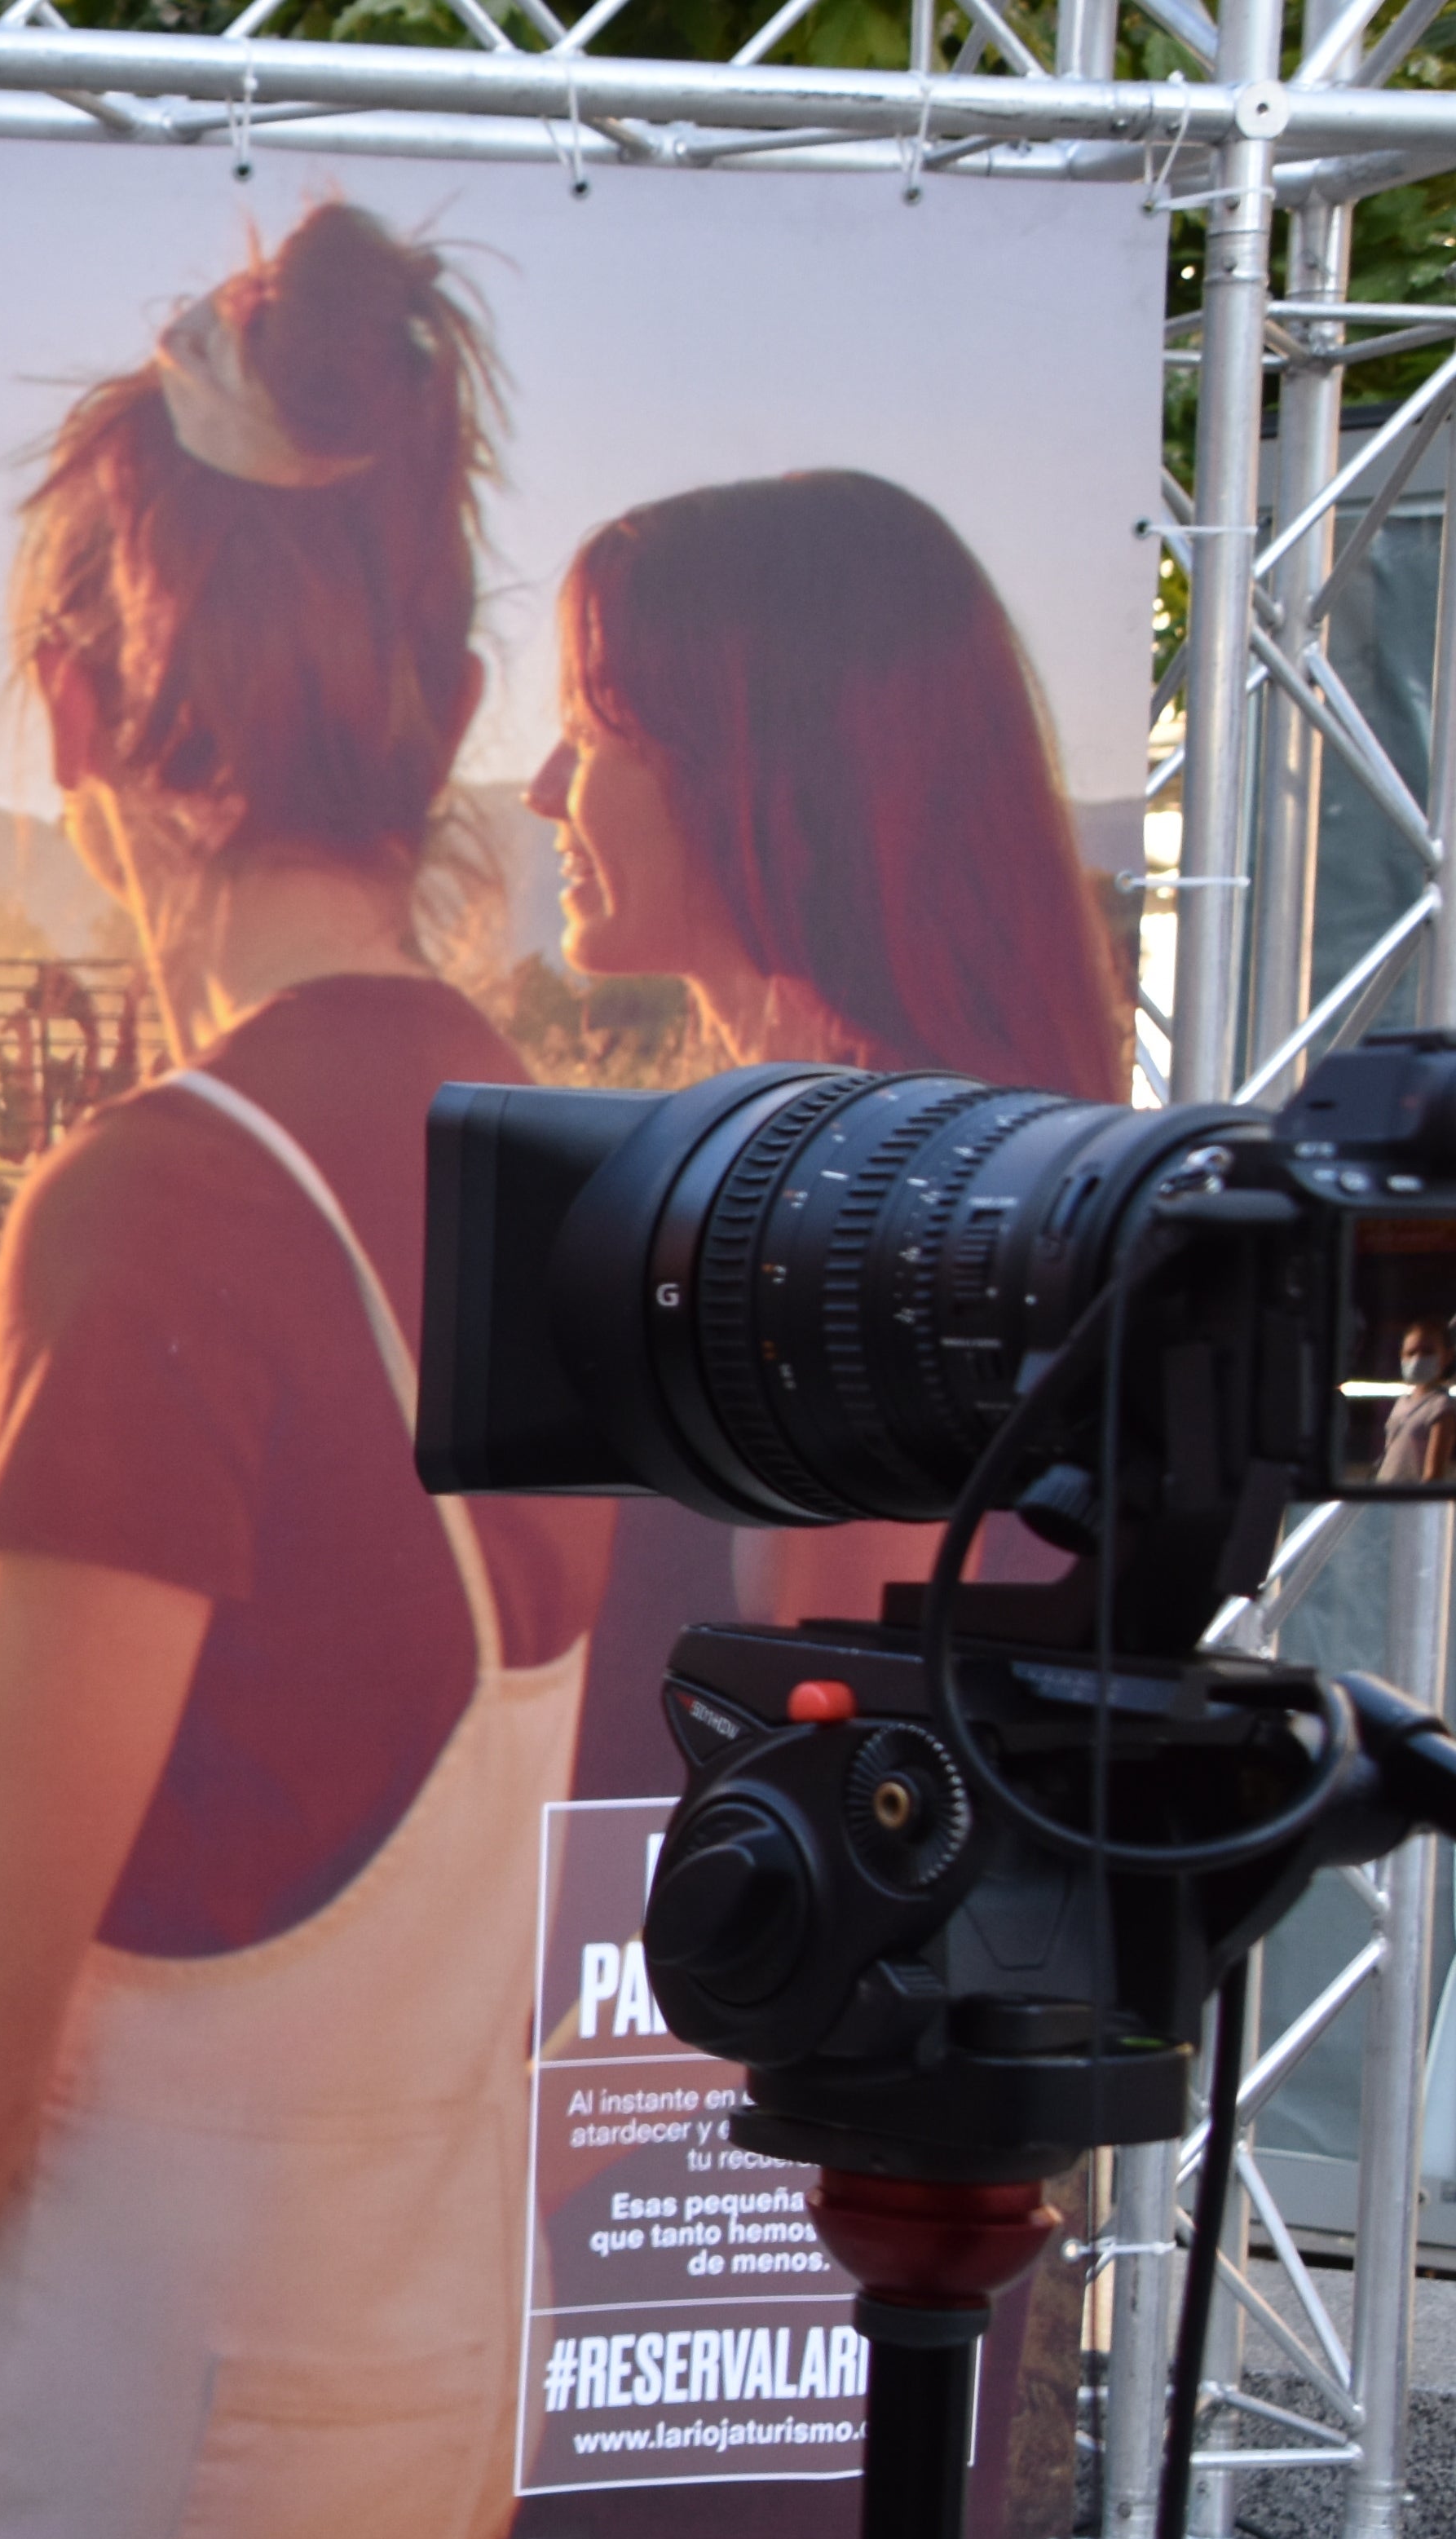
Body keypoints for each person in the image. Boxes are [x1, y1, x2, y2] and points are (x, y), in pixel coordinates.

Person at [0, 205, 611, 2539]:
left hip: (85, 2500)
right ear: (454, 693)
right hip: (413, 2443)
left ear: (77, 722)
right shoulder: (541, 1148)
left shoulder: (167, 1208)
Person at [527, 466, 1132, 1781]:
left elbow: (827, 1802)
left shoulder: (852, 1227)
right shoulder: (938, 1178)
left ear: (752, 766)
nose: (542, 788)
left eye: (590, 728)